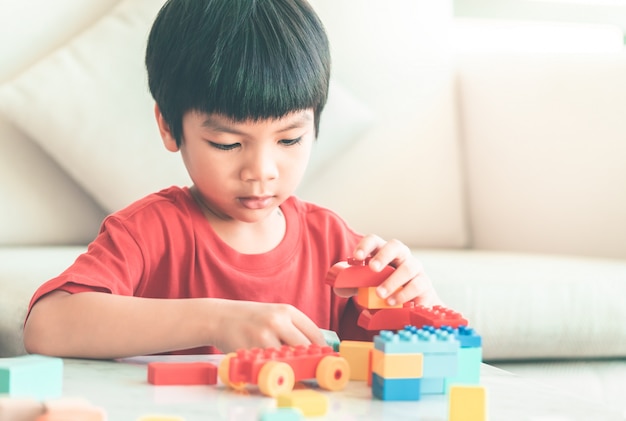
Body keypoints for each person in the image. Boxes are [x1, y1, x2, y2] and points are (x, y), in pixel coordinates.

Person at [23, 0, 442, 359]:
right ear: (169, 127)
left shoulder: (334, 245)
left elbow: (407, 370)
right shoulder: (147, 234)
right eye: (227, 143)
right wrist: (216, 320)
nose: (261, 170)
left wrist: (418, 305)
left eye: (290, 138)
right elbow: (46, 326)